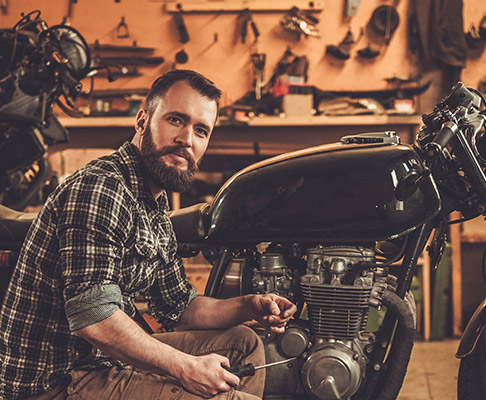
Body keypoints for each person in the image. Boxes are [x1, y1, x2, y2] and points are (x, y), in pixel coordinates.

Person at [0, 69, 297, 399]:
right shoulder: (103, 188)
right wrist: (186, 367)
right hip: (57, 380)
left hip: (98, 361)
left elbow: (180, 307)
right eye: (175, 120)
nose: (187, 138)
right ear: (142, 121)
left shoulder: (154, 203)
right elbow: (94, 319)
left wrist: (250, 306)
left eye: (201, 130)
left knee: (244, 343)